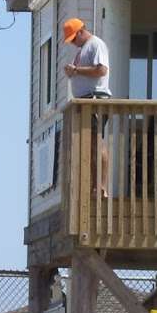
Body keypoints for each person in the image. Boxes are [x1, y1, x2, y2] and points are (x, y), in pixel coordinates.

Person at [63, 17, 112, 197]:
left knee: (97, 143)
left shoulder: (95, 44)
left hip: (95, 99)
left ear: (81, 32)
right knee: (91, 145)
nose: (74, 43)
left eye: (74, 39)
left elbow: (101, 70)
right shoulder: (84, 48)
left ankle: (101, 187)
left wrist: (76, 70)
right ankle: (94, 186)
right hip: (86, 101)